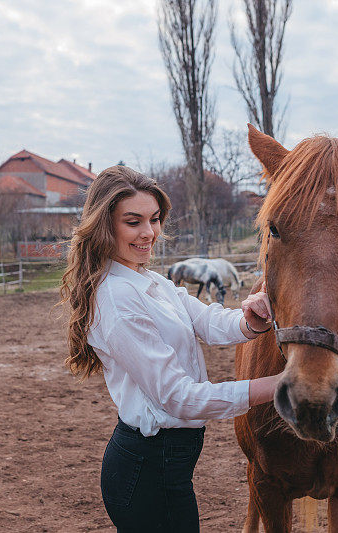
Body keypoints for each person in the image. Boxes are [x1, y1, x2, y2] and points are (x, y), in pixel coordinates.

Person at [60, 165, 281, 532]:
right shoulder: (116, 298)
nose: (149, 233)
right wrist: (281, 386)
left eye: (155, 219)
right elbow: (178, 397)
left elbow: (206, 321)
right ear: (104, 226)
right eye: (133, 222)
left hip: (166, 468)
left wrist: (251, 319)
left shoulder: (150, 281)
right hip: (147, 472)